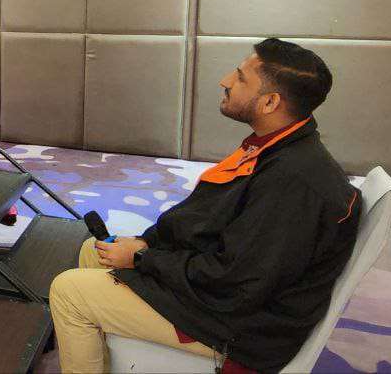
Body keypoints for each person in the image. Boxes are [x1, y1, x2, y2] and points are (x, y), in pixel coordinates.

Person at [48, 38, 359, 373]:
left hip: (240, 326)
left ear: (270, 102)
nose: (226, 81)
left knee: (69, 292)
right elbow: (210, 224)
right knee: (94, 252)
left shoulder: (295, 182)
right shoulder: (277, 149)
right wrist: (147, 245)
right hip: (226, 296)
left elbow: (237, 283)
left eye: (240, 77)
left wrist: (143, 258)